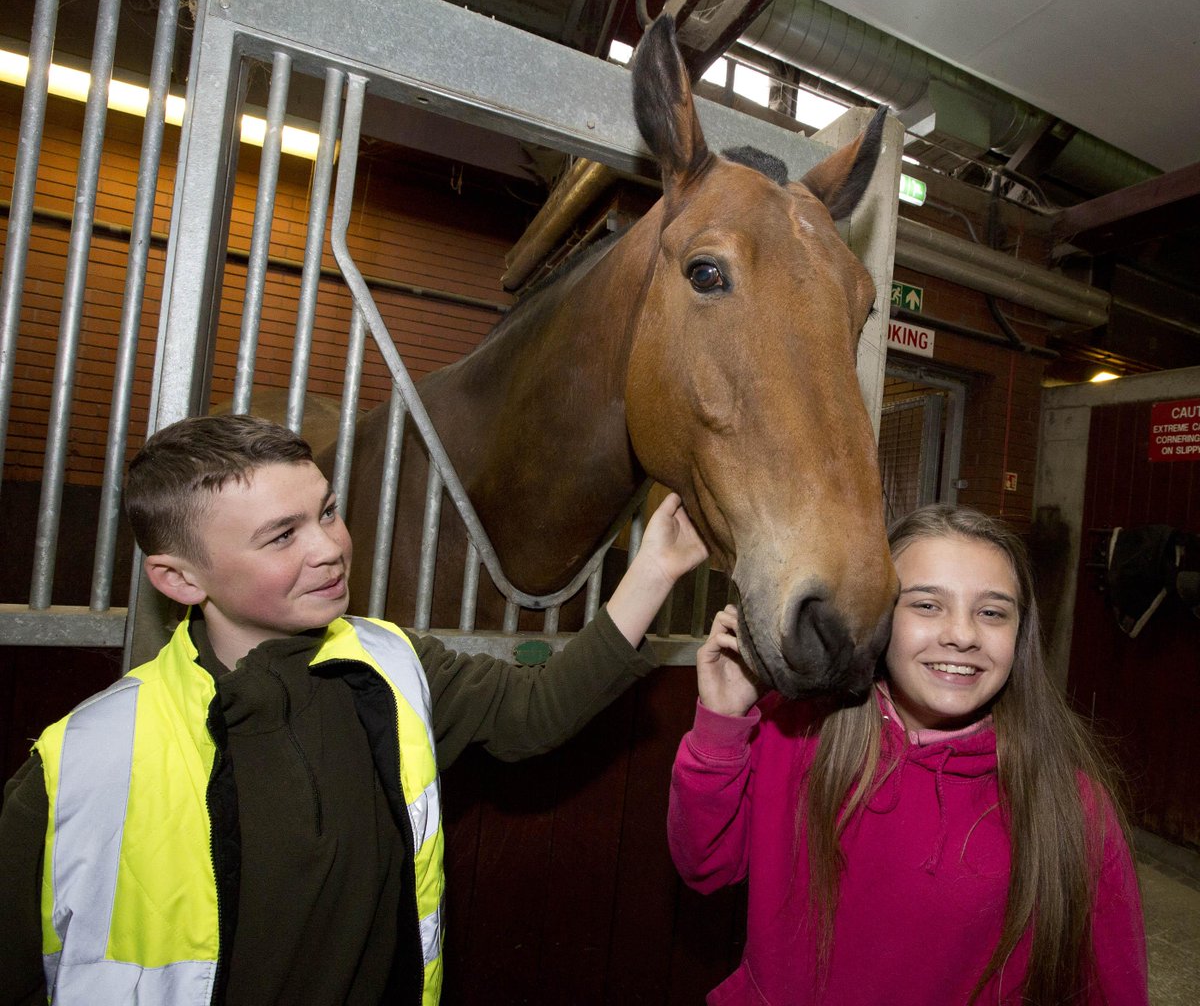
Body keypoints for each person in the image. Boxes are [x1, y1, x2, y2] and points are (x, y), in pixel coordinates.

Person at [0, 413, 708, 1006]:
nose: (331, 548)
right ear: (180, 578)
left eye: (328, 512)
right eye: (283, 535)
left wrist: (655, 569)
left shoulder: (392, 663)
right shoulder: (84, 760)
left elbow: (534, 713)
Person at [668, 503, 1148, 1005]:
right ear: (879, 620)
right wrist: (720, 724)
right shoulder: (798, 735)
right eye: (926, 605)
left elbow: (1113, 989)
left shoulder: (1071, 807)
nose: (961, 635)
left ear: (1019, 636)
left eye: (991, 612)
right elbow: (705, 864)